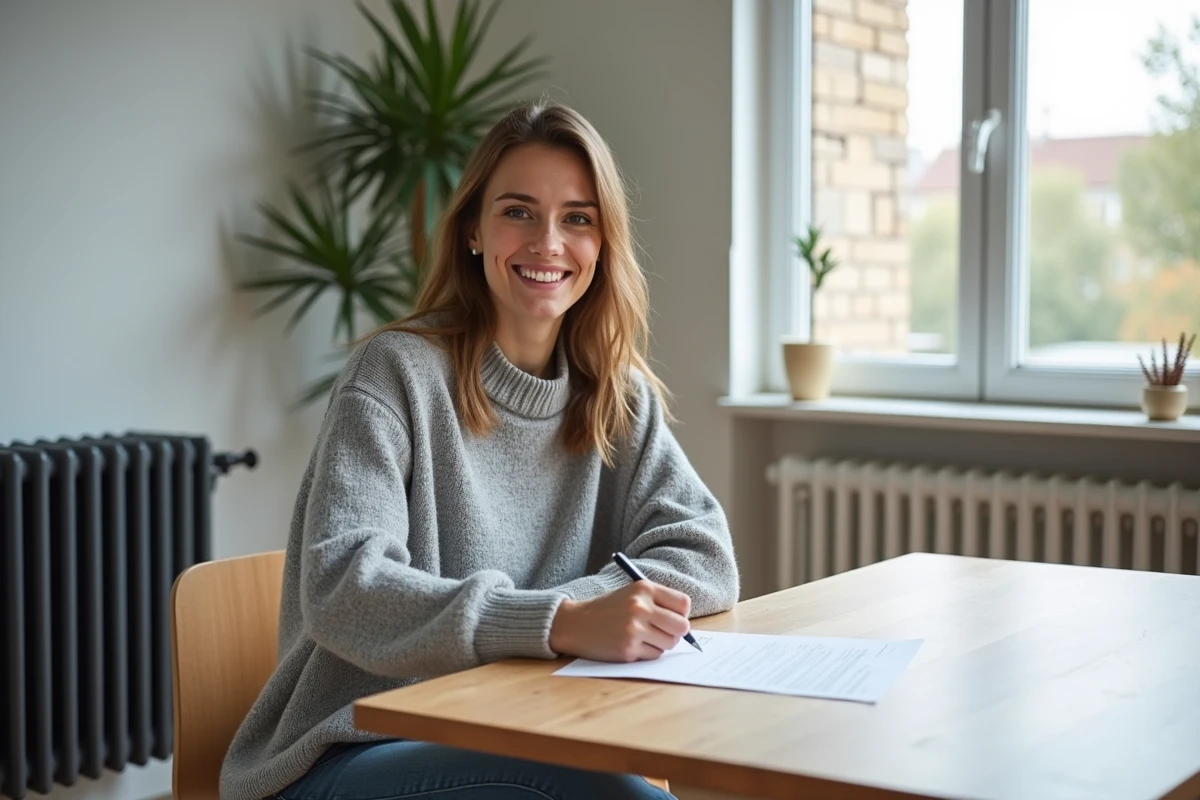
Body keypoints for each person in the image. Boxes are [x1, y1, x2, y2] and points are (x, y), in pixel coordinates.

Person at [220, 100, 740, 800]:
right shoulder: (395, 373)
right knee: (613, 794)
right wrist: (560, 623)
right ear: (472, 230)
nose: (548, 242)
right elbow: (343, 588)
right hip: (346, 750)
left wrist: (575, 616)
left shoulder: (618, 396)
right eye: (518, 211)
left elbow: (704, 557)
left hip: (514, 725)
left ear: (603, 243)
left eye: (577, 218)